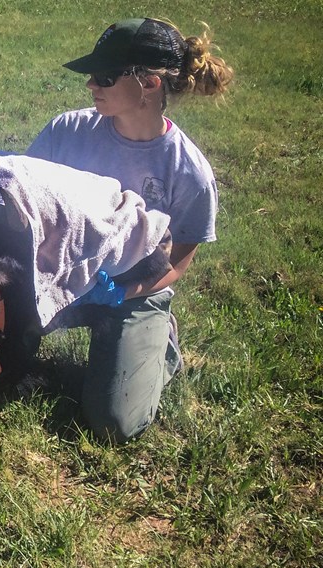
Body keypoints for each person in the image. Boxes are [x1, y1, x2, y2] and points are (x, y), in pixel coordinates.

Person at [24, 17, 234, 442]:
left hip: (132, 291)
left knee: (113, 422)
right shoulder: (68, 130)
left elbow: (176, 263)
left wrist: (124, 293)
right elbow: (28, 194)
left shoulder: (188, 173)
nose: (91, 86)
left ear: (150, 84)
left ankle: (163, 347)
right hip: (63, 273)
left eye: (104, 76)